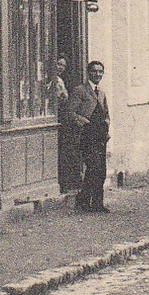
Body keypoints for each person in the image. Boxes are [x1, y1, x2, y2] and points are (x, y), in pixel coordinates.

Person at [70, 61, 111, 212]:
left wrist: (106, 124)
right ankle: (83, 200)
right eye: (94, 71)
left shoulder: (101, 93)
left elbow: (106, 113)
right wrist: (84, 122)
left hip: (100, 137)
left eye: (100, 72)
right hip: (87, 136)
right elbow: (71, 113)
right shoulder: (80, 90)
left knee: (101, 171)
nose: (97, 74)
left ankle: (97, 204)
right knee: (93, 168)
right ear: (88, 73)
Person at [50, 56, 81, 193]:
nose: (60, 67)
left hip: (62, 118)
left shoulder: (60, 80)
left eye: (63, 65)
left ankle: (69, 182)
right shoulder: (51, 80)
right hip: (54, 116)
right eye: (58, 64)